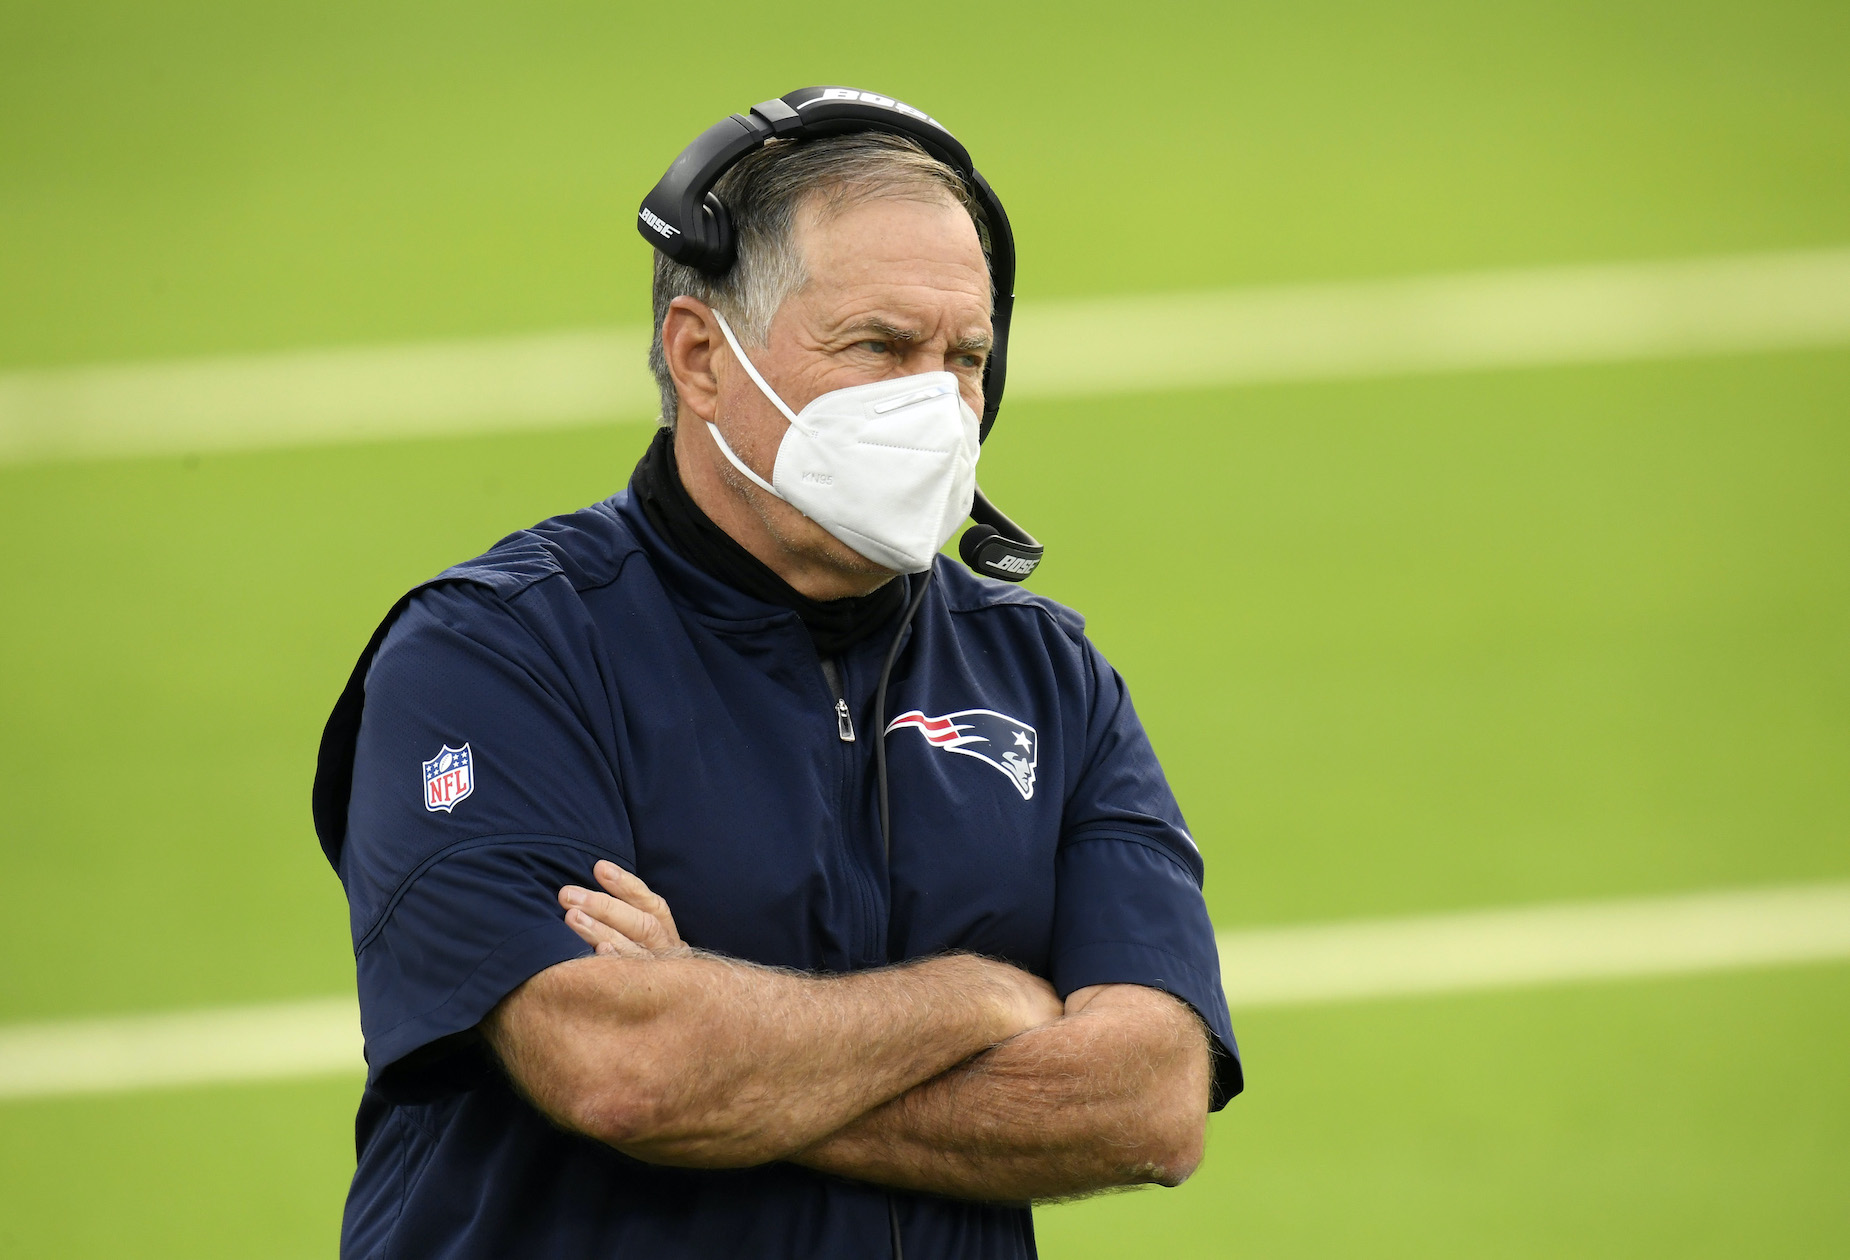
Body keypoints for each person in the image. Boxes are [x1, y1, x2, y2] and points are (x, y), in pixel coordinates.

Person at [312, 88, 1241, 1260]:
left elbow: (1146, 1104)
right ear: (700, 357)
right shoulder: (491, 658)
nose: (939, 404)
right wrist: (980, 998)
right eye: (880, 347)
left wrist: (728, 1049)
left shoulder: (1046, 675)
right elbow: (626, 1071)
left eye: (965, 358)